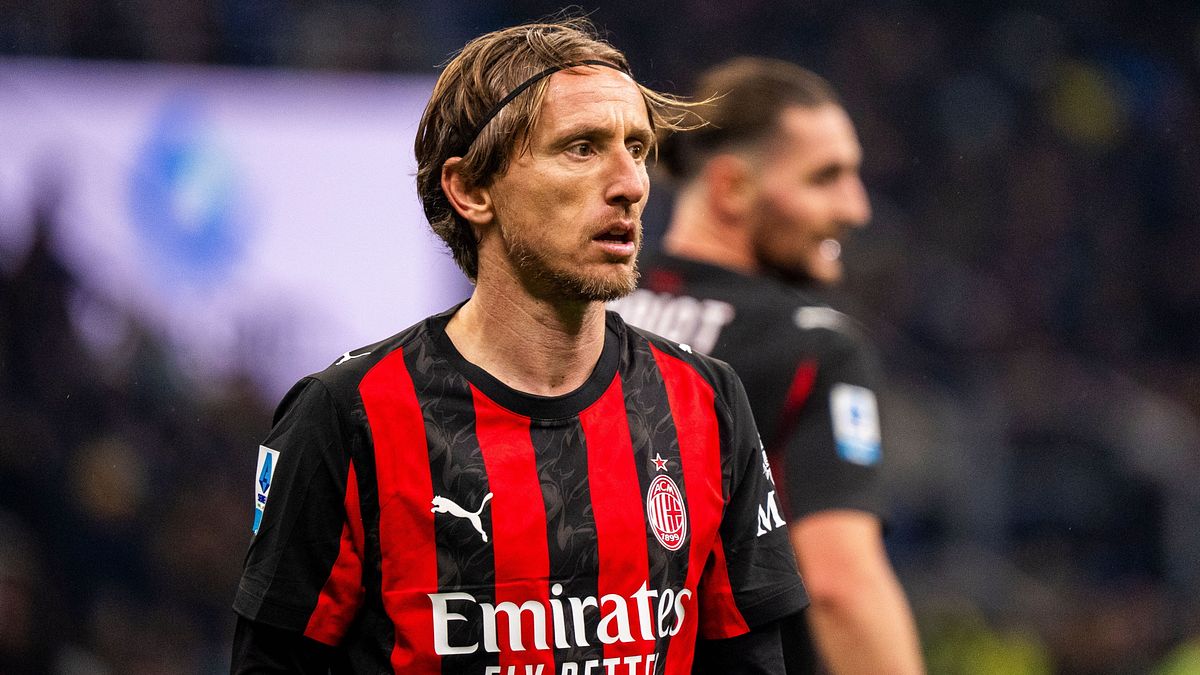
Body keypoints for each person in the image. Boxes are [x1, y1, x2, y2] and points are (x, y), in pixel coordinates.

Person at [229, 20, 807, 675]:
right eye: (582, 148)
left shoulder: (706, 400)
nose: (631, 183)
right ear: (472, 190)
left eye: (638, 148)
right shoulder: (347, 414)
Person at [610, 57, 925, 674]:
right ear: (731, 187)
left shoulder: (592, 319)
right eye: (825, 177)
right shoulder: (812, 347)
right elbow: (841, 587)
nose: (856, 208)